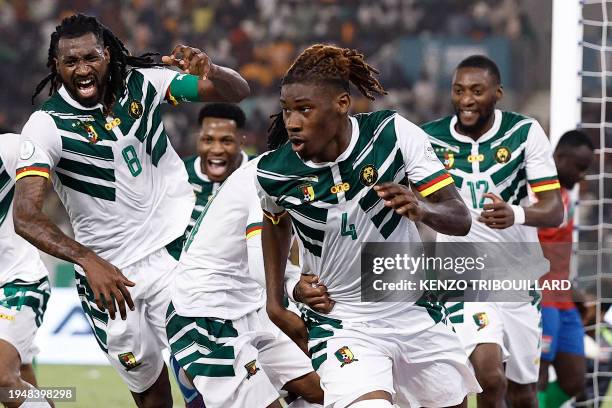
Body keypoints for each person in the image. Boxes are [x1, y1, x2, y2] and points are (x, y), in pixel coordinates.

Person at [12, 14, 249, 408]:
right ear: (56, 66)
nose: (82, 70)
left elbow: (234, 91)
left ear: (107, 54)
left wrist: (214, 69)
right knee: (151, 396)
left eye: (90, 58)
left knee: (208, 369)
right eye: (70, 62)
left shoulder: (146, 82)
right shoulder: (47, 125)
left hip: (176, 254)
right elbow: (25, 215)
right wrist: (89, 261)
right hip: (110, 279)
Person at [256, 44, 480, 408]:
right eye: (286, 110)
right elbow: (274, 221)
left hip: (414, 310)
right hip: (342, 321)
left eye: (304, 110)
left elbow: (460, 218)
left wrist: (422, 208)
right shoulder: (273, 172)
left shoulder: (391, 135)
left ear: (342, 104)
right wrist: (275, 300)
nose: (292, 122)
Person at [422, 55, 563, 408]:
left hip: (516, 274)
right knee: (487, 376)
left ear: (497, 93)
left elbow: (554, 210)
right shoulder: (428, 137)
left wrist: (514, 213)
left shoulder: (525, 131)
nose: (466, 100)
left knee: (523, 392)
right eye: (458, 91)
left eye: (476, 91)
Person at [167, 151, 323, 408]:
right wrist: (295, 287)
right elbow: (260, 259)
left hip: (252, 305)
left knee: (327, 392)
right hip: (206, 313)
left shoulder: (308, 174)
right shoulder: (266, 175)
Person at [537, 130, 594, 407]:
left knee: (574, 378)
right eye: (579, 167)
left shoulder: (567, 195)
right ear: (559, 157)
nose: (583, 176)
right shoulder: (536, 192)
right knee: (537, 373)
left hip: (562, 295)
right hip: (539, 295)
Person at [0, 132, 53, 408]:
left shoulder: (8, 148)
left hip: (18, 281)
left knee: (3, 380)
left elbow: (44, 166)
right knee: (23, 383)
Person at [183, 103, 249, 237]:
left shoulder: (259, 174)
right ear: (198, 140)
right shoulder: (179, 173)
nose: (217, 149)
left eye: (226, 141)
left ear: (241, 142)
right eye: (208, 140)